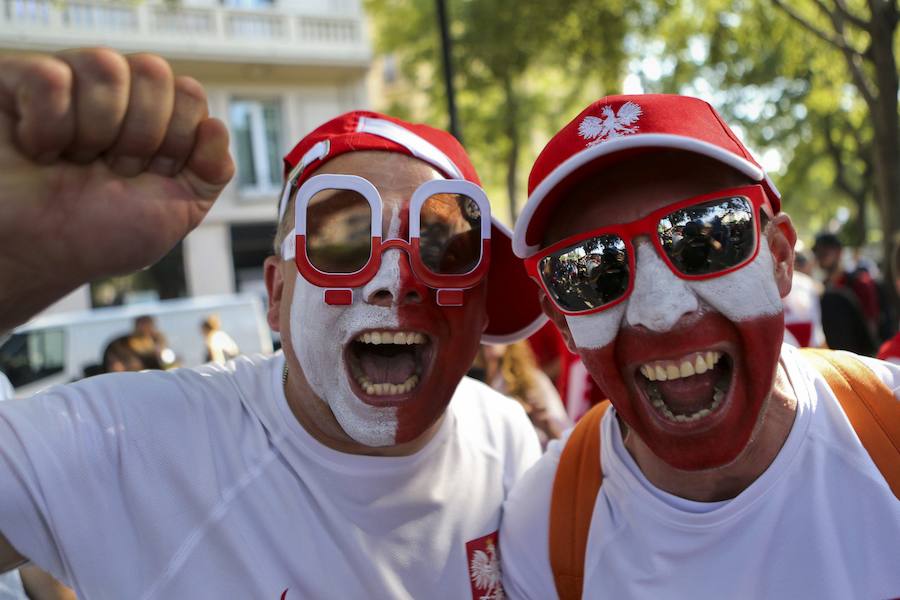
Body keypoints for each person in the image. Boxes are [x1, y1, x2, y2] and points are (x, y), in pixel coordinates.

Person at [0, 49, 545, 598]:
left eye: (441, 248)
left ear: (480, 310)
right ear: (277, 295)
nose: (394, 280)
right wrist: (16, 270)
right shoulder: (139, 444)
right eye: (345, 242)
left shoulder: (503, 436)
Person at [501, 94, 900, 599]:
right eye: (592, 271)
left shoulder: (889, 428)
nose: (662, 312)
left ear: (778, 258)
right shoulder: (544, 527)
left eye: (706, 237)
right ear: (562, 319)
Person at [481, 342, 572, 447]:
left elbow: (564, 431)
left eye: (498, 332)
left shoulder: (534, 380)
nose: (491, 340)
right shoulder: (478, 383)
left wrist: (544, 422)